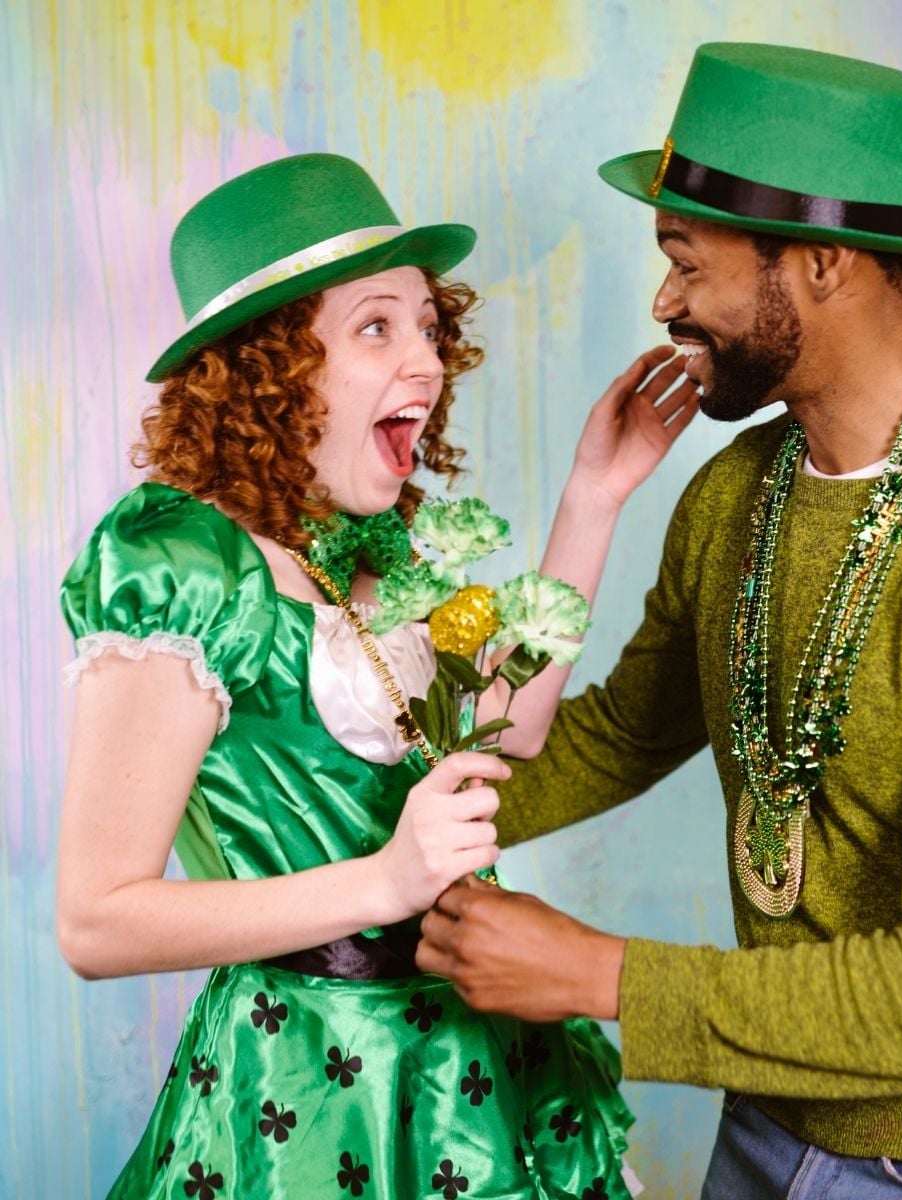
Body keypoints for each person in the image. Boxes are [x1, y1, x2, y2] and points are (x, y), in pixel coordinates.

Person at [416, 44, 902, 1199]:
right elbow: (616, 734)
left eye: (686, 263)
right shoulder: (738, 494)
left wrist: (599, 974)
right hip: (770, 1120)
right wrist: (365, 826)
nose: (665, 302)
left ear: (821, 262)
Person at [57, 152, 698, 1198]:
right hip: (307, 1089)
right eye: (375, 326)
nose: (430, 363)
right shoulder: (181, 565)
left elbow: (511, 727)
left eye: (427, 326)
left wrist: (594, 497)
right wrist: (386, 883)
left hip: (469, 1063)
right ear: (269, 368)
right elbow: (95, 920)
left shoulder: (373, 546)